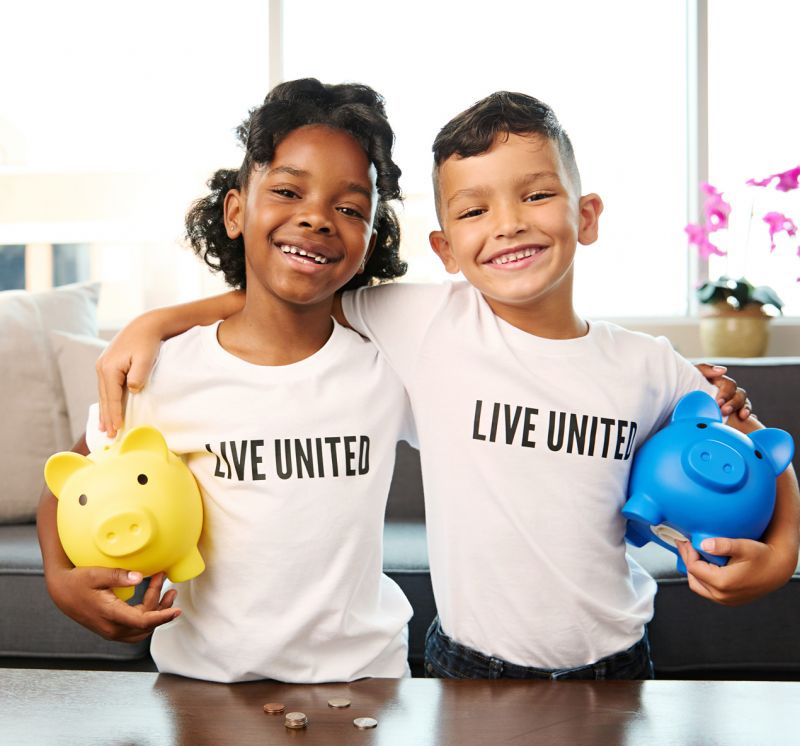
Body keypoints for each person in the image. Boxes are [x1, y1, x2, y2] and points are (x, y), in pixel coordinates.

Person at [96, 92, 798, 681]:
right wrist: (160, 323)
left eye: (537, 195)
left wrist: (782, 554)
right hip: (467, 665)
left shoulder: (652, 365)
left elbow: (757, 448)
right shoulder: (425, 322)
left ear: (585, 216)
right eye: (473, 211)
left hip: (617, 661)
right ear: (445, 249)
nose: (510, 223)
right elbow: (293, 292)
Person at [37, 78, 418, 683]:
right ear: (236, 211)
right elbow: (66, 484)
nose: (317, 218)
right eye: (289, 190)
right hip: (204, 684)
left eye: (350, 209)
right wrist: (61, 583)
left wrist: (159, 317)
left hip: (364, 681)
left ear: (370, 239)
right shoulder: (163, 371)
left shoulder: (391, 365)